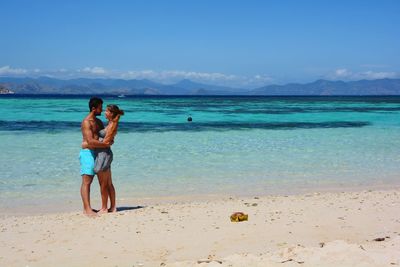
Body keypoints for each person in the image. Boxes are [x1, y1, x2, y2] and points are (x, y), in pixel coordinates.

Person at [80, 97, 111, 216]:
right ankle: (87, 209)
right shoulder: (86, 122)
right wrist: (104, 144)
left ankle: (103, 207)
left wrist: (113, 122)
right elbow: (90, 141)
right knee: (87, 181)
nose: (102, 110)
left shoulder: (98, 122)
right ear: (94, 108)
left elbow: (104, 134)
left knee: (102, 181)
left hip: (99, 153)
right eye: (100, 108)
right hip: (88, 153)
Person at [94, 104, 124, 213]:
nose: (104, 112)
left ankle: (104, 208)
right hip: (104, 153)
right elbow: (108, 141)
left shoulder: (112, 125)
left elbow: (106, 142)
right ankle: (113, 207)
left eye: (106, 111)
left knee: (103, 183)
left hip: (104, 154)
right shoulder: (111, 123)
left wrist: (89, 144)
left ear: (111, 113)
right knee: (108, 183)